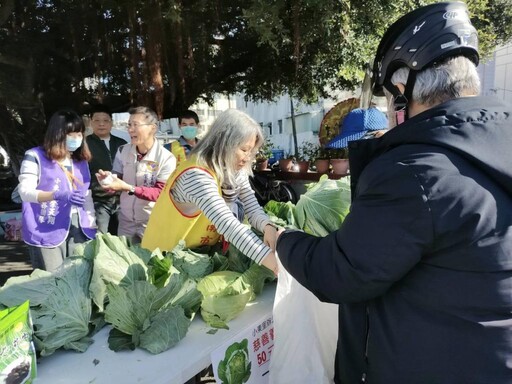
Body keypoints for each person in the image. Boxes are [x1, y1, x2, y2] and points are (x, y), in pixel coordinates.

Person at [276, 2, 512, 383]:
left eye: (389, 98)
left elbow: (341, 272)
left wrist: (283, 241)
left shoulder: (416, 170)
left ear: (402, 91)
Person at [142, 109, 278, 274]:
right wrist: (278, 266)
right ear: (224, 142)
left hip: (191, 260)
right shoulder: (197, 175)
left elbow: (251, 205)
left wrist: (268, 226)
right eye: (244, 149)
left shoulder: (232, 171)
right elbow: (229, 226)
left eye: (251, 151)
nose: (248, 157)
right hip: (163, 263)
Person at [18, 109, 96, 272]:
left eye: (80, 134)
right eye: (72, 134)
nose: (77, 139)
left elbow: (86, 195)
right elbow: (25, 192)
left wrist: (91, 223)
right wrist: (56, 195)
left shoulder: (80, 160)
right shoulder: (35, 156)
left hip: (79, 227)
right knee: (52, 279)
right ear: (58, 133)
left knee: (78, 279)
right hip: (46, 225)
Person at [96, 106, 176, 244]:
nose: (130, 129)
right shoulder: (123, 151)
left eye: (135, 125)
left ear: (153, 128)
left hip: (152, 222)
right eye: (129, 125)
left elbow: (160, 193)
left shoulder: (166, 158)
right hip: (126, 221)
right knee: (125, 260)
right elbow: (117, 180)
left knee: (151, 263)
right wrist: (108, 182)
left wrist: (128, 188)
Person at [86, 104, 127, 234]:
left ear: (111, 123)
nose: (101, 124)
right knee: (101, 238)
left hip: (121, 200)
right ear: (91, 122)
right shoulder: (85, 144)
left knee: (124, 237)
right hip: (98, 201)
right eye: (97, 121)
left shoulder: (122, 143)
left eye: (105, 121)